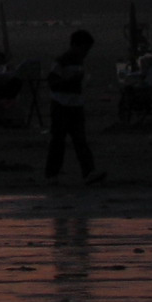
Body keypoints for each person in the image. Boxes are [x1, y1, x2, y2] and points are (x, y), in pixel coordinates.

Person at [44, 29, 107, 185]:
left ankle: (89, 172)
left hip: (76, 105)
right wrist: (69, 81)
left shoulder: (79, 62)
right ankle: (51, 175)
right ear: (75, 46)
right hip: (61, 105)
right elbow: (52, 83)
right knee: (58, 141)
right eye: (84, 49)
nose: (86, 53)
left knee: (80, 141)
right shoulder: (61, 61)